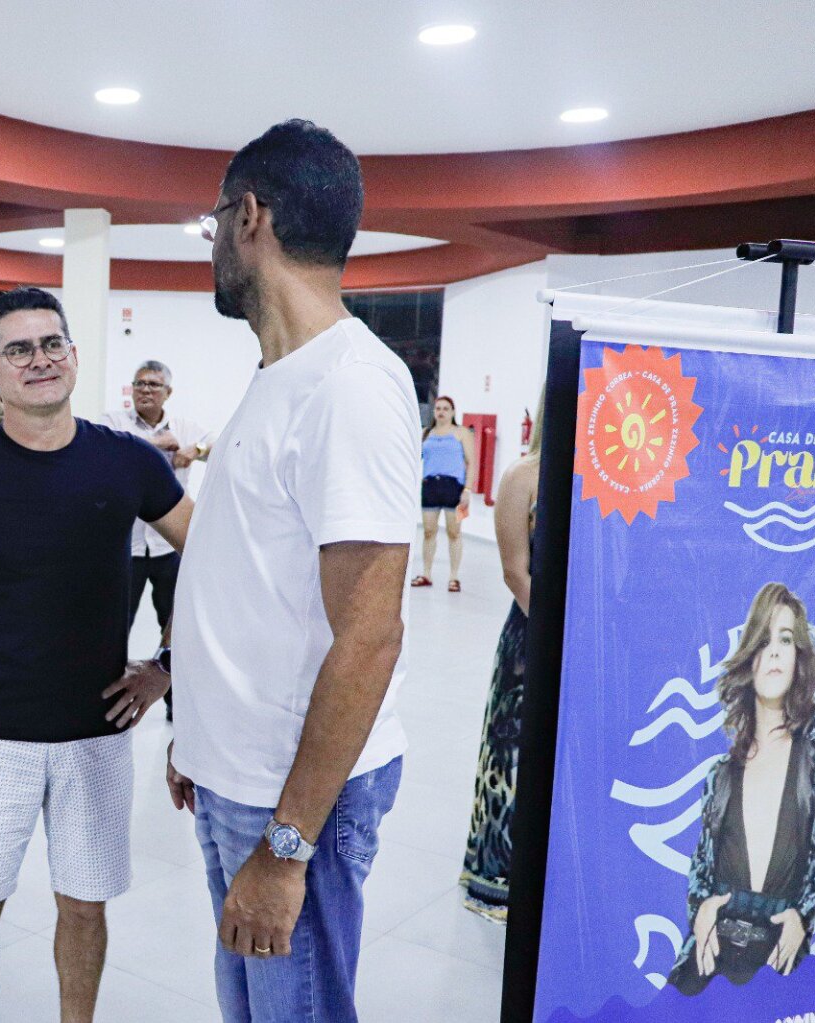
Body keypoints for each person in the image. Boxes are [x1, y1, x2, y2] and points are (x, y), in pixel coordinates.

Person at [0, 286, 192, 1023]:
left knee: (84, 907)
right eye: (18, 348)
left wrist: (166, 666)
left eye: (52, 343)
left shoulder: (129, 462)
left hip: (97, 731)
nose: (39, 359)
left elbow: (210, 561)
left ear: (75, 356)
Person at [165, 119, 419, 1023]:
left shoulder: (346, 384)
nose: (212, 250)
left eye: (213, 225)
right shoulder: (282, 374)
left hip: (290, 800)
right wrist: (196, 729)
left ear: (250, 217)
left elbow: (371, 635)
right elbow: (253, 582)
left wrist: (284, 845)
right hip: (243, 775)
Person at [667, 582, 815, 995]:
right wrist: (701, 910)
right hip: (710, 959)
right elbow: (701, 866)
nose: (773, 651)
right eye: (763, 641)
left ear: (798, 657)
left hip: (779, 964)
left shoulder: (814, 761)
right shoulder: (720, 775)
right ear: (749, 660)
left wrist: (804, 916)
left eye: (785, 640)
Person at [459, 401, 542, 921]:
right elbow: (515, 573)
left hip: (587, 640)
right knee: (511, 756)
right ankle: (498, 877)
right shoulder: (523, 475)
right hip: (532, 637)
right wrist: (557, 635)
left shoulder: (607, 477)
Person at [102, 360, 212, 718]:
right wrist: (156, 443)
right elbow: (109, 453)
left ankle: (176, 705)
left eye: (152, 384)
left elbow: (217, 445)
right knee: (114, 626)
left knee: (178, 627)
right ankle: (108, 698)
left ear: (168, 393)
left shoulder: (185, 428)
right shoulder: (113, 424)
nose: (144, 390)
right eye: (139, 384)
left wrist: (193, 450)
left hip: (169, 547)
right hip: (126, 547)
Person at [411, 396, 476, 592]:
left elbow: (471, 463)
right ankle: (426, 574)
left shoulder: (461, 433)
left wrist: (467, 490)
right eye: (438, 408)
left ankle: (454, 577)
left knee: (454, 532)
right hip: (431, 486)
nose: (441, 412)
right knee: (429, 531)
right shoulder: (426, 434)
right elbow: (415, 459)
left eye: (446, 408)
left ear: (453, 412)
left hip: (453, 488)